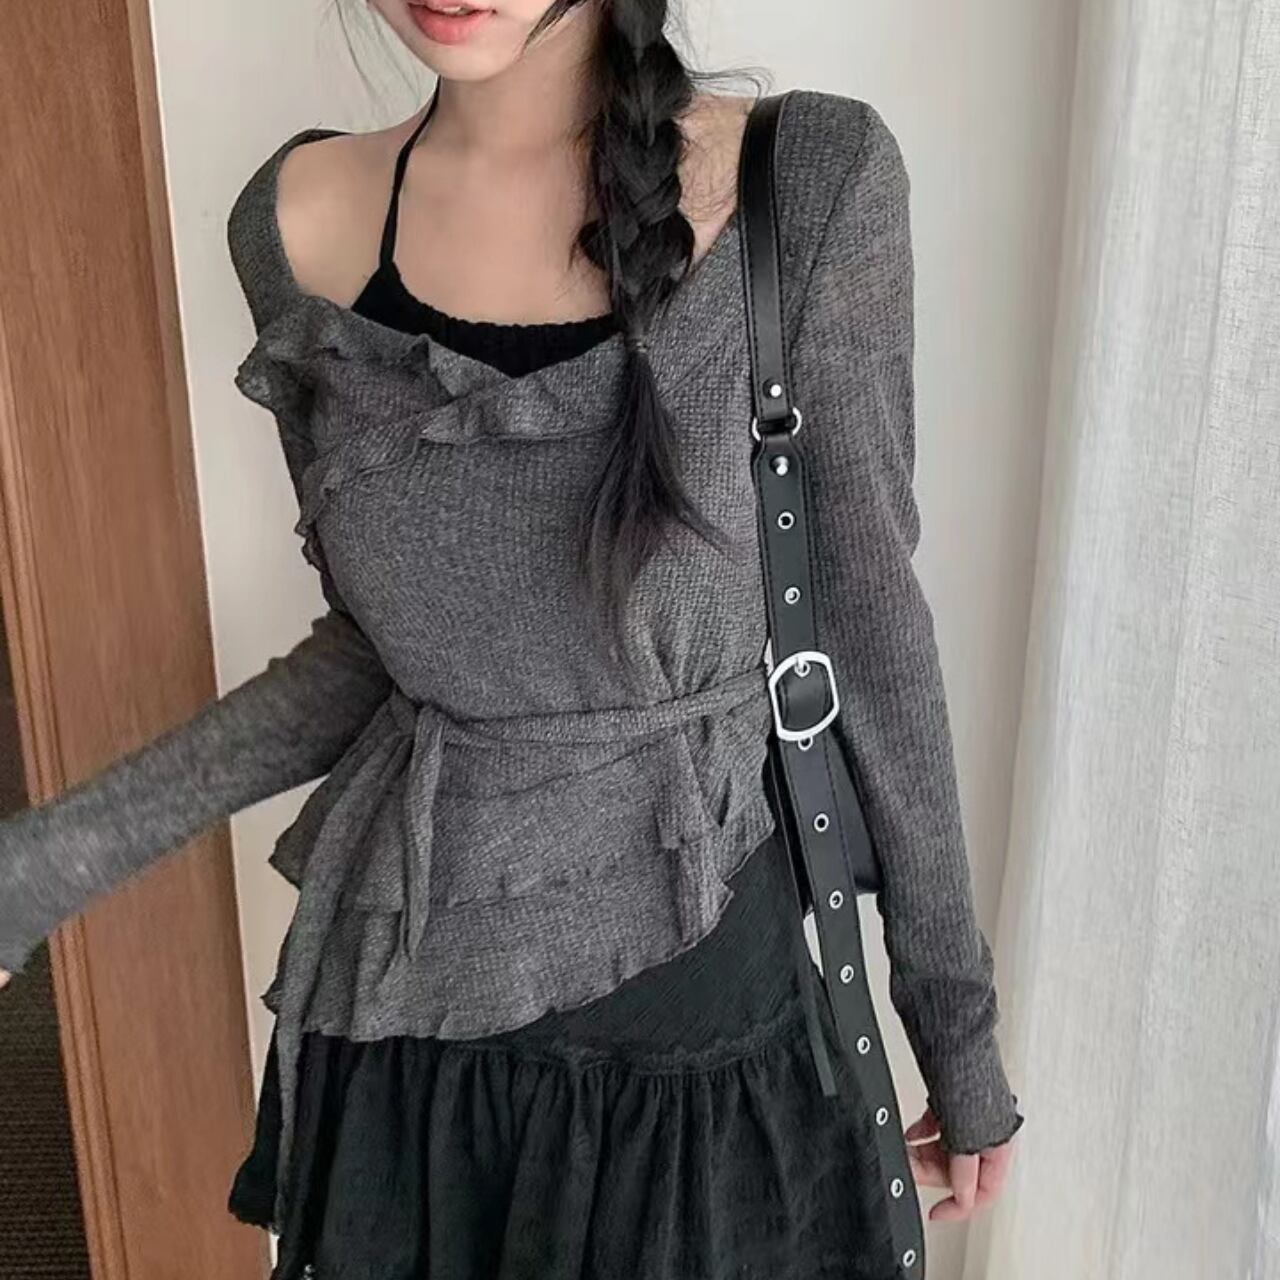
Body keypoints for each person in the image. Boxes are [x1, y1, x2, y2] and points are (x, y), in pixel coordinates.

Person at [0, 1, 1024, 1275]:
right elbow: (387, 653)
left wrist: (955, 1035)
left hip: (695, 1069)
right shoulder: (295, 225)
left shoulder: (803, 188)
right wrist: (42, 865)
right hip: (406, 1065)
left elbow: (869, 638)